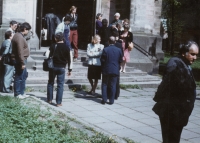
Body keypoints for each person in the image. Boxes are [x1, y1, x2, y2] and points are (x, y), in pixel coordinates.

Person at [152, 41, 199, 143]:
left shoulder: (184, 64)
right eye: (192, 54)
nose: (195, 58)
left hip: (178, 113)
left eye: (196, 55)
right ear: (183, 53)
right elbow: (166, 87)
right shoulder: (175, 64)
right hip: (172, 113)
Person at [47, 32, 72, 107]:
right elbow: (69, 59)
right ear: (63, 38)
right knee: (60, 85)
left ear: (56, 38)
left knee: (50, 83)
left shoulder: (53, 45)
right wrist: (69, 69)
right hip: (62, 67)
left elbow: (48, 55)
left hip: (53, 67)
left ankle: (49, 99)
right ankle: (58, 102)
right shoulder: (67, 47)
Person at [11, 22, 31, 99]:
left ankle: (22, 93)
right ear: (25, 29)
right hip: (20, 60)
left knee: (23, 76)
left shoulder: (18, 35)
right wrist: (22, 62)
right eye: (28, 30)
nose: (28, 32)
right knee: (19, 76)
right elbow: (20, 50)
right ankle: (17, 93)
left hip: (21, 59)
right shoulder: (19, 37)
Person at [100, 36, 123, 105]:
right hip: (115, 69)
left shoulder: (105, 49)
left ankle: (104, 99)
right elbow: (120, 60)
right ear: (115, 42)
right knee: (113, 85)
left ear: (108, 41)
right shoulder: (119, 50)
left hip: (106, 69)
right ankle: (111, 100)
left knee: (104, 84)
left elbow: (102, 60)